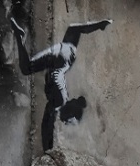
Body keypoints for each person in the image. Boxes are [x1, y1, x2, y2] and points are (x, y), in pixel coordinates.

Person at [10, 16, 111, 150]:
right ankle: (48, 150)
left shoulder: (69, 41)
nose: (65, 121)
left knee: (26, 68)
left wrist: (99, 24)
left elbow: (76, 28)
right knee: (51, 108)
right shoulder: (61, 99)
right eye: (68, 119)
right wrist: (99, 24)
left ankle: (19, 37)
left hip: (57, 52)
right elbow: (56, 76)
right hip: (59, 61)